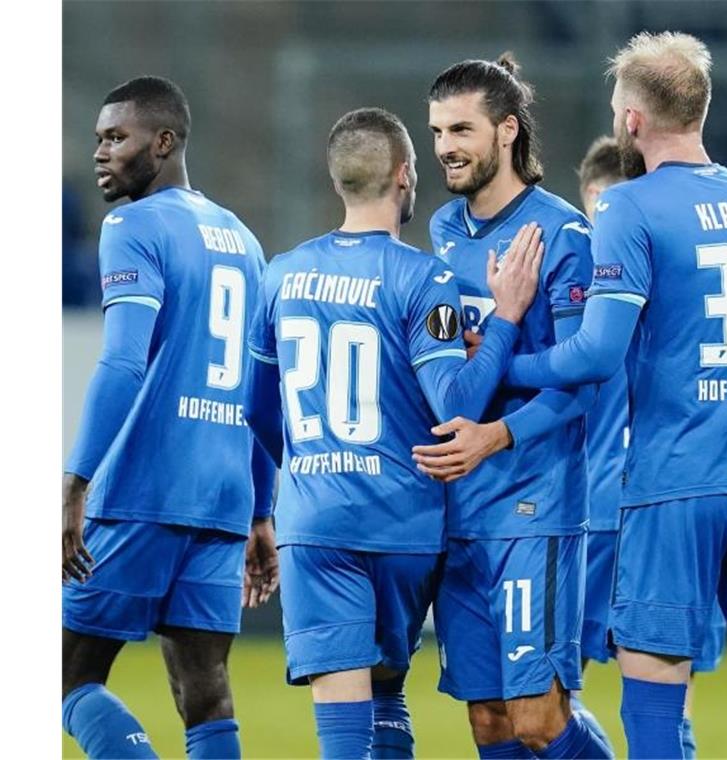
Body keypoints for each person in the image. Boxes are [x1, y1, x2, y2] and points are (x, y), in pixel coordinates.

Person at [504, 32, 727, 758]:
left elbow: (597, 351)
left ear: (632, 122)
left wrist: (506, 367)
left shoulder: (629, 208)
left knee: (654, 694)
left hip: (679, 480)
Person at [242, 107, 545, 760]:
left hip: (317, 524)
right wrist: (506, 321)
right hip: (403, 524)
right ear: (406, 177)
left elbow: (258, 411)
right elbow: (457, 403)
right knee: (386, 690)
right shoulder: (423, 277)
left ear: (337, 182)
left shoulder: (280, 274)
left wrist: (294, 479)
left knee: (345, 724)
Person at [61, 75, 277, 760]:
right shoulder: (244, 239)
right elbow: (261, 387)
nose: (101, 153)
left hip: (147, 488)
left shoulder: (133, 225)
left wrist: (74, 483)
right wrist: (262, 512)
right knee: (204, 690)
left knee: (62, 677)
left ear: (164, 141)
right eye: (98, 139)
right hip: (222, 498)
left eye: (116, 138)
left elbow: (124, 363)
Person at [413, 55, 612, 760]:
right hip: (460, 510)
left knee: (537, 717)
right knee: (489, 720)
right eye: (436, 131)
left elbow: (582, 382)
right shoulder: (442, 228)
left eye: (460, 129)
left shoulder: (561, 237)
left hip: (535, 505)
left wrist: (497, 435)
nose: (445, 147)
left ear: (506, 131)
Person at [572, 135, 727, 759]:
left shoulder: (577, 284)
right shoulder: (694, 279)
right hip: (674, 502)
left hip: (594, 509)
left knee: (554, 694)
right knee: (671, 695)